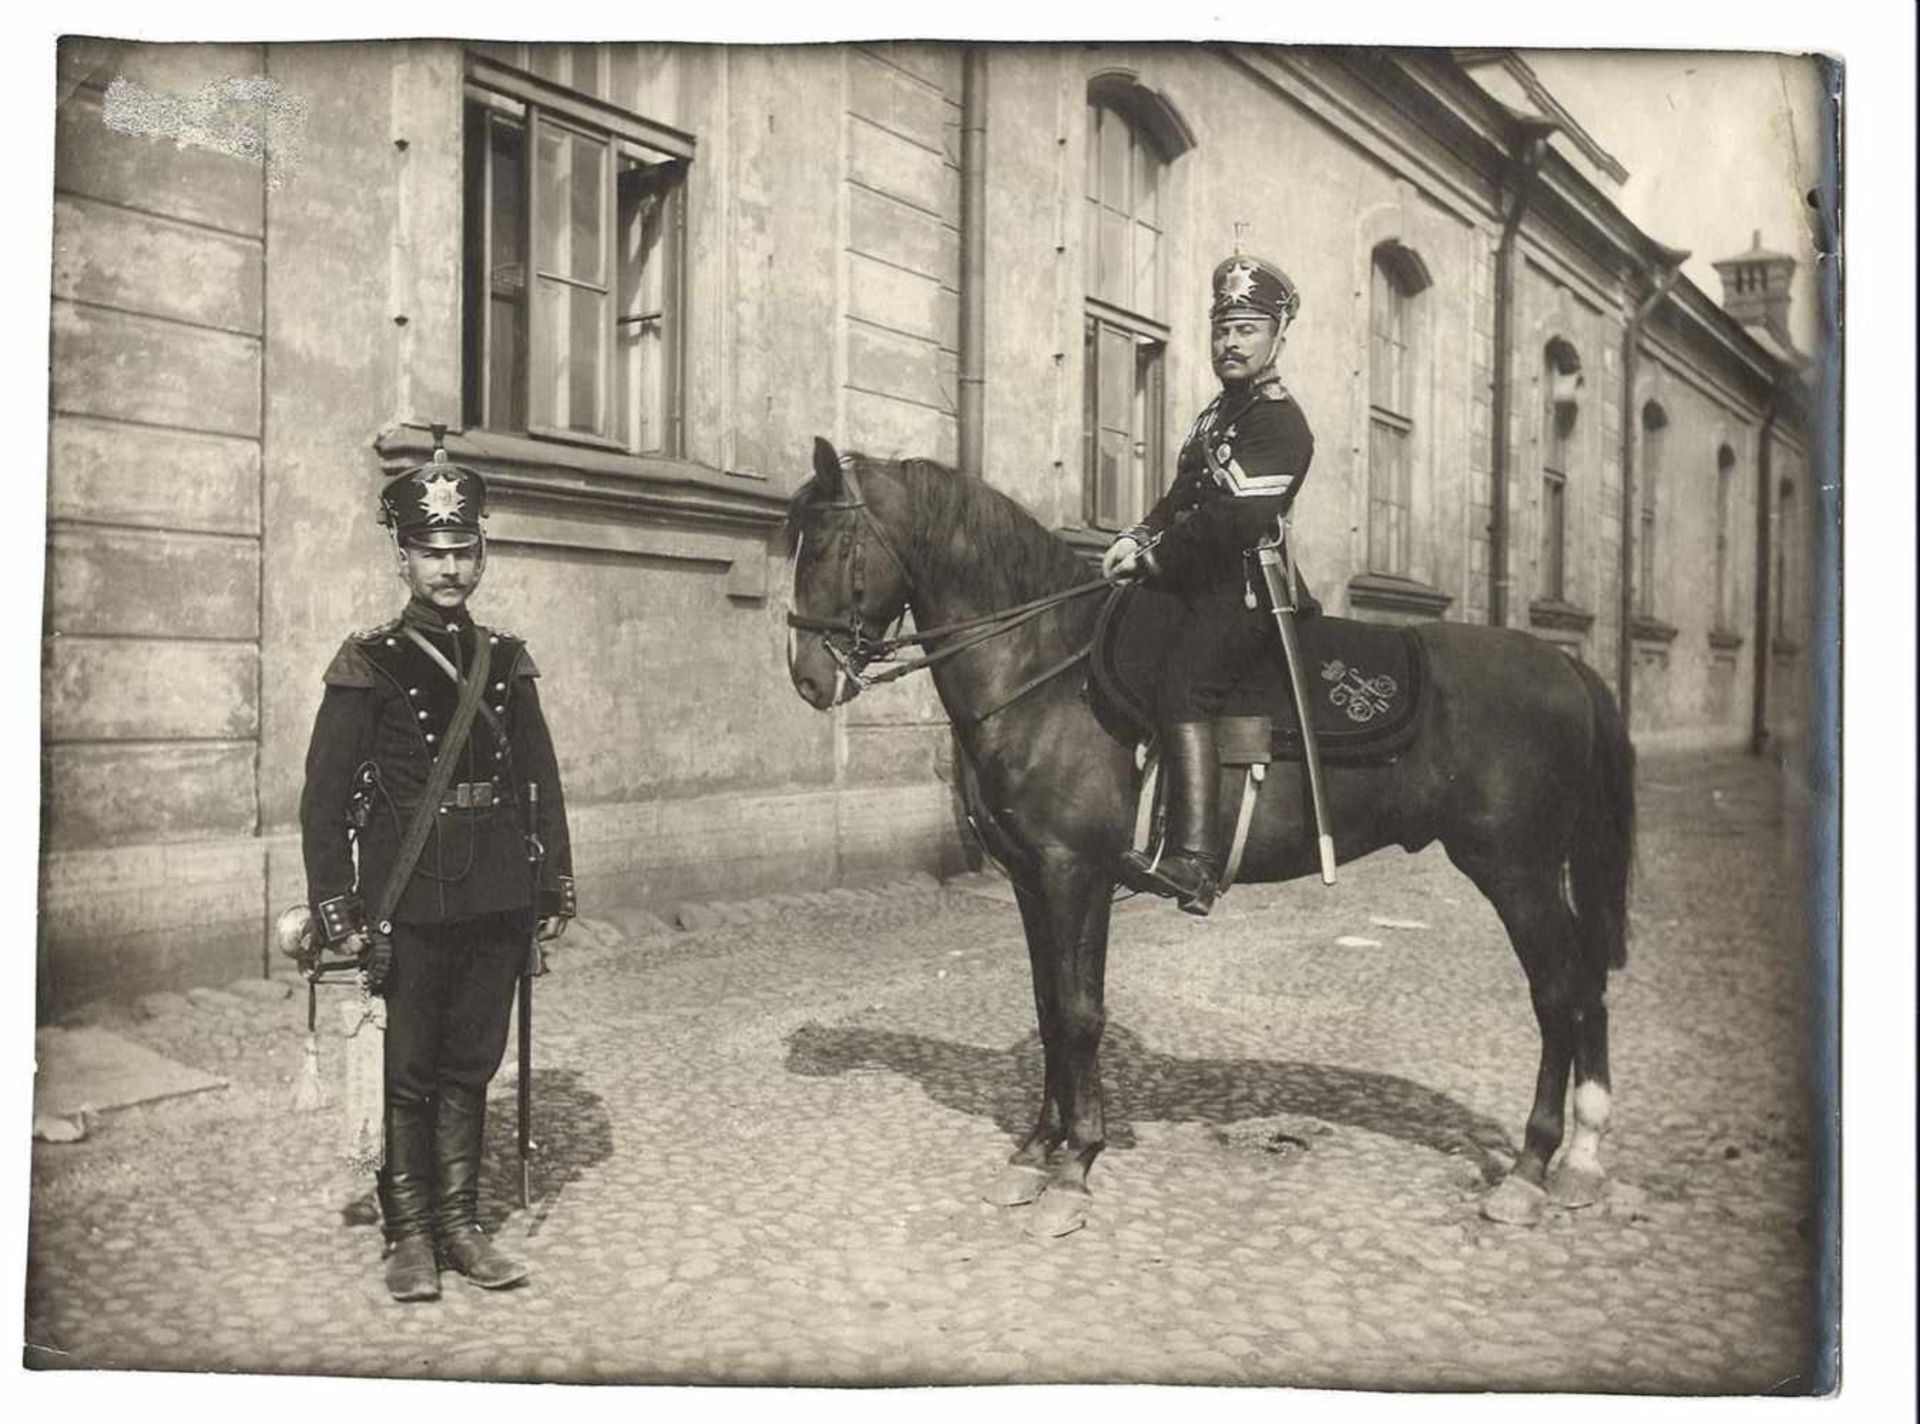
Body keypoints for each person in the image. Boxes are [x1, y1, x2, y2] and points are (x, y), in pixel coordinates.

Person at [300, 439, 574, 1302]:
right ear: (403, 558)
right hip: (406, 897)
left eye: (464, 552)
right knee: (410, 1067)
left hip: (493, 888)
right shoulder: (369, 662)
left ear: (480, 555)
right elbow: (322, 799)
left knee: (472, 1062)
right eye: (433, 553)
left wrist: (552, 884)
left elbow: (541, 779)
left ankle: (460, 1224)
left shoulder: (505, 660)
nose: (450, 568)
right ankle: (409, 1234)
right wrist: (337, 905)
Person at [1101, 255, 1316, 917]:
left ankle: (1194, 858)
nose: (1230, 342)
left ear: (1276, 336)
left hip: (1245, 587)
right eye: (1223, 327)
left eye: (1246, 328)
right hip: (1194, 579)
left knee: (1183, 684)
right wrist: (1137, 536)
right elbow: (1179, 498)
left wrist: (1156, 560)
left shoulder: (1281, 424)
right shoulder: (1212, 418)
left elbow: (1231, 520)